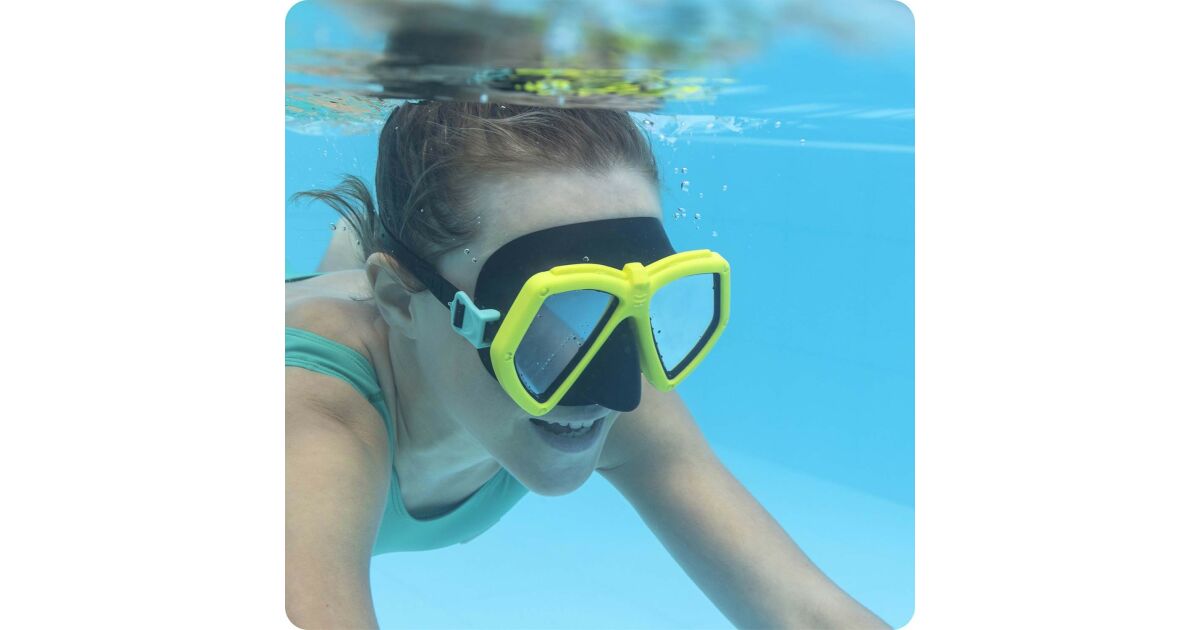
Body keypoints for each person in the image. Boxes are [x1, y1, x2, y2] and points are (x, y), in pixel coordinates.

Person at [285, 101, 887, 629]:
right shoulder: (311, 427)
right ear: (397, 299)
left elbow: (805, 613)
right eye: (550, 309)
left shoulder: (577, 368)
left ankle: (363, 238)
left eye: (622, 306)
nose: (619, 393)